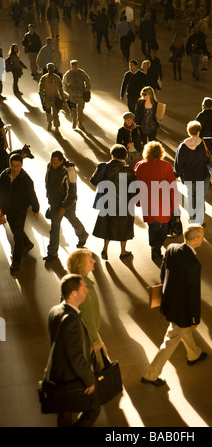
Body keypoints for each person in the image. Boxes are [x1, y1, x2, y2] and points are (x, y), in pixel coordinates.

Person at [141, 225, 207, 386]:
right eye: (202, 236)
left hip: (169, 302)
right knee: (170, 341)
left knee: (180, 331)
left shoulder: (172, 248)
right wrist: (194, 319)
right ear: (196, 239)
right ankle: (150, 375)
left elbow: (163, 271)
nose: (203, 239)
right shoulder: (193, 264)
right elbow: (193, 294)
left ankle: (194, 354)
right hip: (182, 310)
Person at [47, 274, 100, 427]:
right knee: (93, 408)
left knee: (64, 417)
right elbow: (75, 355)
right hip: (70, 378)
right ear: (74, 293)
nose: (87, 291)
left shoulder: (55, 311)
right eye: (84, 287)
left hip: (58, 375)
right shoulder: (71, 320)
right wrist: (89, 380)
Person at [90, 144, 135, 260]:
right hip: (123, 204)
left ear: (112, 154)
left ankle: (105, 249)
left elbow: (93, 181)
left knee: (107, 226)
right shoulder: (128, 171)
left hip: (106, 202)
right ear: (124, 156)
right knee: (124, 228)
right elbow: (133, 189)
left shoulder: (103, 167)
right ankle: (123, 251)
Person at [134, 141, 177, 260]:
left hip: (147, 201)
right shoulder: (166, 165)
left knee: (152, 225)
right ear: (161, 152)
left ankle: (153, 245)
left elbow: (137, 185)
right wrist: (175, 204)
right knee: (164, 227)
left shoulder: (140, 166)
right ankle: (156, 247)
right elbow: (172, 186)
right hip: (164, 201)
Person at [67, 249, 109, 370]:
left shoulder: (73, 281)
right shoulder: (83, 289)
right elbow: (88, 316)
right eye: (90, 260)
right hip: (85, 334)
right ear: (81, 265)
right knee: (99, 363)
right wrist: (95, 340)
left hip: (80, 333)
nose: (94, 261)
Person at [44, 150, 89, 262]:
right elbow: (47, 182)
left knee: (72, 219)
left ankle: (82, 235)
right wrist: (49, 198)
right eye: (52, 162)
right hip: (55, 202)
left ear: (61, 161)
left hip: (68, 203)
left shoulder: (69, 170)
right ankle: (52, 253)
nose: (53, 165)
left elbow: (72, 193)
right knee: (55, 228)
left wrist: (63, 207)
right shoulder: (49, 166)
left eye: (56, 163)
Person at [174, 120, 212, 224]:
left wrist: (177, 174)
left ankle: (192, 217)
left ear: (188, 131)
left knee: (191, 196)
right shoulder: (204, 142)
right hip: (202, 175)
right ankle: (200, 219)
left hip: (188, 177)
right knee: (200, 198)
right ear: (199, 131)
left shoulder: (183, 146)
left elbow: (178, 163)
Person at [0, 153, 39, 272]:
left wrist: (36, 209)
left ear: (22, 165)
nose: (15, 168)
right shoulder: (4, 175)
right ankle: (28, 244)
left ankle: (16, 260)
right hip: (8, 209)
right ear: (9, 164)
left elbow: (32, 195)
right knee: (16, 230)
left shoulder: (26, 179)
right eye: (13, 165)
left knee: (17, 235)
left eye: (18, 165)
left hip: (20, 210)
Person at [62, 60, 91, 130]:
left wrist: (87, 88)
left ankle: (80, 123)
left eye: (76, 66)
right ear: (71, 67)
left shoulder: (81, 73)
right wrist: (67, 91)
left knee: (80, 109)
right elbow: (64, 84)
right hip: (72, 95)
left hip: (81, 94)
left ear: (77, 66)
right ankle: (74, 120)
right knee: (73, 109)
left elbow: (87, 80)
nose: (75, 68)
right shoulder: (68, 74)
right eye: (73, 66)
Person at [38, 62, 65, 135]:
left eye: (52, 68)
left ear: (54, 69)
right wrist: (42, 99)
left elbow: (60, 89)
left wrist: (62, 98)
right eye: (49, 68)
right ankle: (49, 122)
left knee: (56, 114)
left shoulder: (57, 78)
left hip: (55, 97)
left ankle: (56, 128)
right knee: (48, 112)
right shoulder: (43, 78)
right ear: (47, 69)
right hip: (47, 98)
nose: (50, 70)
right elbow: (40, 90)